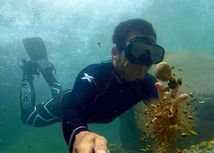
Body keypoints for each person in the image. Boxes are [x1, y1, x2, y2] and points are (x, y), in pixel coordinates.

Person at [20, 18, 188, 153]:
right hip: (65, 104)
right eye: (136, 50)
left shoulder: (149, 84)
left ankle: (47, 70)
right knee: (28, 118)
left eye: (152, 54)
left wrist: (169, 114)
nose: (144, 62)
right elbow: (73, 110)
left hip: (78, 99)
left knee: (60, 92)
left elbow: (162, 121)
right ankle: (28, 72)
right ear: (115, 53)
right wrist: (80, 133)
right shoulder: (94, 74)